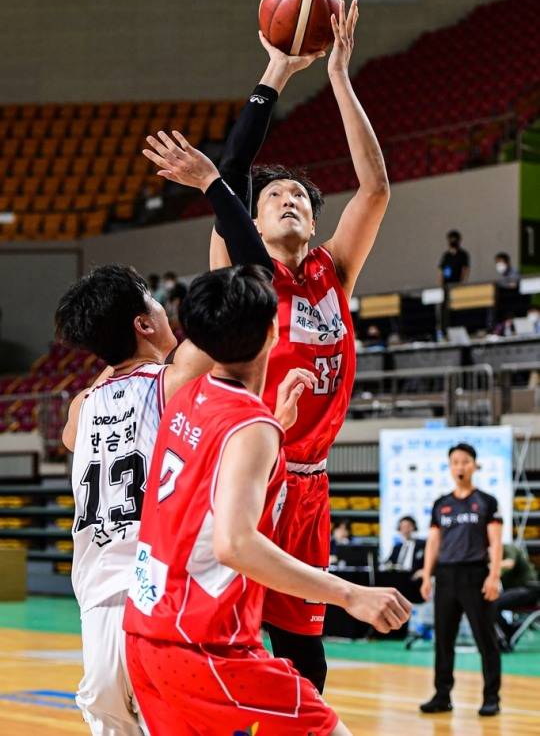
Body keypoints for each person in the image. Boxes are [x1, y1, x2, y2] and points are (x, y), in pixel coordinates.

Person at [143, 0, 391, 693]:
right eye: (274, 194)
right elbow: (234, 169)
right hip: (250, 465)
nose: (288, 199)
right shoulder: (242, 268)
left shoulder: (331, 271)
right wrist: (275, 72)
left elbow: (374, 187)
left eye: (301, 197)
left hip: (310, 484)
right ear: (248, 216)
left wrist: (339, 75)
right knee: (227, 640)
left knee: (305, 657)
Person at [123, 264, 411, 736]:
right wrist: (350, 593)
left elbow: (209, 494)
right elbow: (234, 543)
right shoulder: (251, 427)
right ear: (274, 331)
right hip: (205, 645)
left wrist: (274, 423)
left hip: (145, 635)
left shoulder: (185, 396)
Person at [56, 179, 276, 736]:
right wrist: (222, 188)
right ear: (144, 323)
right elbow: (232, 299)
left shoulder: (81, 409)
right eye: (154, 300)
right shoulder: (174, 380)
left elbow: (71, 432)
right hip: (161, 600)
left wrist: (111, 352)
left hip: (96, 603)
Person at [419, 442, 503, 718]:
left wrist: (494, 576)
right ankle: (442, 696)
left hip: (475, 574)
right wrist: (427, 576)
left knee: (485, 639)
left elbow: (496, 541)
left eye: (465, 461)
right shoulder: (441, 505)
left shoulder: (487, 501)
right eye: (455, 462)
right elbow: (433, 542)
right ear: (450, 466)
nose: (460, 466)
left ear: (474, 465)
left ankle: (491, 697)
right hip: (446, 575)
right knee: (444, 640)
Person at [492, 542, 538, 651]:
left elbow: (509, 563)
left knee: (491, 602)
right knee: (486, 602)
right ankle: (508, 631)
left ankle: (509, 631)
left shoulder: (508, 548)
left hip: (530, 589)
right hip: (514, 591)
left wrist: (491, 565)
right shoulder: (491, 555)